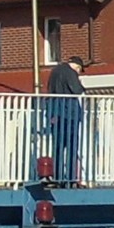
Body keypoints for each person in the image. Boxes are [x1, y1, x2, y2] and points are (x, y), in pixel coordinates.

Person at [43, 54, 87, 185]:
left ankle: (57, 176)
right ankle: (70, 177)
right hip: (69, 114)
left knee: (58, 147)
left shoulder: (55, 71)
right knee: (72, 147)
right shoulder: (70, 73)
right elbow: (77, 90)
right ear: (77, 67)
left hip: (55, 112)